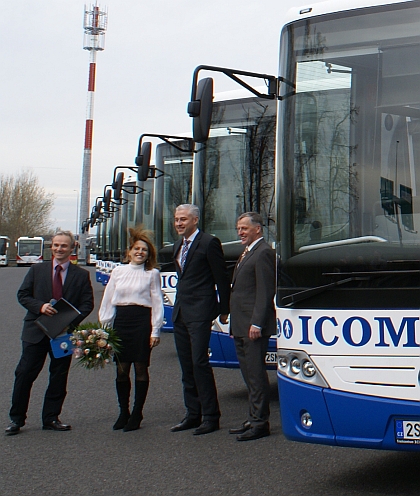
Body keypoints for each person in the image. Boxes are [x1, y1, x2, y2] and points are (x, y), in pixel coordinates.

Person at [5, 231, 94, 436]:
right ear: (51, 247)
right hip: (35, 331)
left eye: (64, 246)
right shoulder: (37, 271)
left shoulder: (81, 275)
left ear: (72, 249)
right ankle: (16, 419)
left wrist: (67, 321)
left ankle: (51, 418)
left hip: (63, 335)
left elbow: (87, 304)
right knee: (24, 374)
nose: (59, 249)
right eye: (55, 245)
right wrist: (41, 307)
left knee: (59, 376)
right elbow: (23, 295)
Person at [171, 204, 230, 435]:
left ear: (195, 220)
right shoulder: (178, 245)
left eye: (183, 219)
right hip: (181, 313)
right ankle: (192, 414)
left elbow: (221, 278)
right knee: (186, 366)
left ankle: (211, 416)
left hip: (201, 312)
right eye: (176, 219)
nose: (178, 223)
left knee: (199, 363)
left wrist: (224, 309)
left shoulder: (208, 243)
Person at [99, 227, 163, 432]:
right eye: (136, 248)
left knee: (141, 369)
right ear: (129, 251)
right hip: (122, 323)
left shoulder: (152, 274)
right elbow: (108, 300)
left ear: (148, 254)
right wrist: (105, 329)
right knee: (121, 370)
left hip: (142, 322)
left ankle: (137, 413)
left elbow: (158, 303)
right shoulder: (117, 271)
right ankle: (123, 412)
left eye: (144, 250)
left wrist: (155, 331)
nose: (140, 252)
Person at [229, 212, 276, 441]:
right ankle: (253, 417)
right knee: (248, 374)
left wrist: (257, 322)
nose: (240, 232)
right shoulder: (248, 252)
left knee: (256, 374)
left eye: (244, 228)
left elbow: (265, 291)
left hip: (252, 326)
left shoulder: (264, 252)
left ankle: (260, 423)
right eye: (238, 228)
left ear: (258, 229)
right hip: (240, 324)